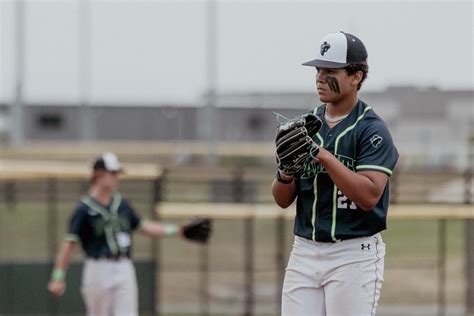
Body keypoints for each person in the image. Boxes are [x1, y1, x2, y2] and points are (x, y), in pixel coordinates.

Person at [272, 32, 399, 316]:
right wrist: (286, 172)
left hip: (353, 254)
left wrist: (323, 155)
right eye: (318, 70)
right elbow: (281, 199)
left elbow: (368, 196)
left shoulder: (371, 130)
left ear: (356, 76)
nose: (319, 77)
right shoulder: (306, 125)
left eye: (330, 71)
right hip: (304, 250)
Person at [47, 152, 195, 316]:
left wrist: (177, 230)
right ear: (98, 174)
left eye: (117, 173)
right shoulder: (84, 209)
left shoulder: (122, 204)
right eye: (113, 173)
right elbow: (69, 243)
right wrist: (58, 276)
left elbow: (142, 226)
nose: (116, 177)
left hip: (124, 266)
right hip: (98, 268)